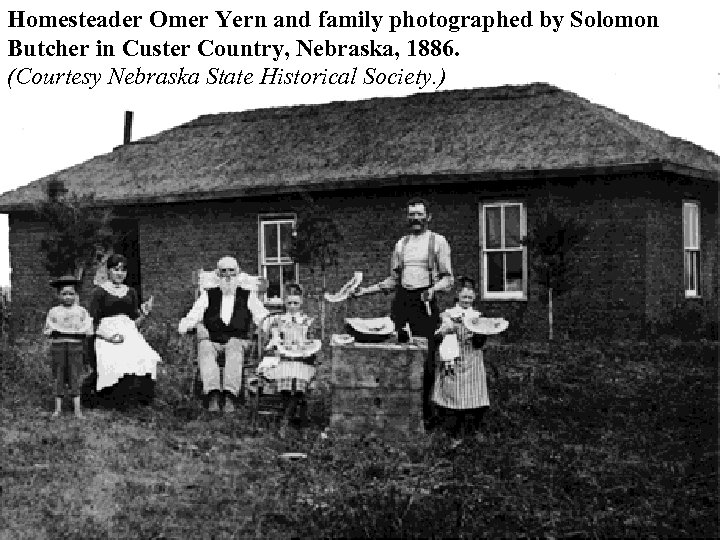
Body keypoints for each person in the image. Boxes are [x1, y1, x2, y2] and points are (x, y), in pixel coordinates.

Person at [353, 198, 454, 426]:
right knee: (398, 354)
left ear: (428, 217)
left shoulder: (438, 242)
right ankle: (399, 409)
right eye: (411, 215)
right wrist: (364, 291)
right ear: (407, 218)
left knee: (426, 359)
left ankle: (426, 413)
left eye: (419, 214)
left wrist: (433, 289)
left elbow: (448, 279)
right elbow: (393, 280)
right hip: (402, 303)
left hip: (425, 304)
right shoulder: (401, 244)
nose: (415, 219)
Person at [178, 256, 269, 413]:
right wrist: (196, 327)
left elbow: (263, 318)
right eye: (223, 271)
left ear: (238, 273)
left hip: (239, 342)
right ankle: (213, 394)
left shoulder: (248, 296)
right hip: (213, 341)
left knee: (233, 344)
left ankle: (230, 395)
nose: (227, 276)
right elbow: (189, 319)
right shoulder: (208, 295)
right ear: (217, 275)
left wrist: (270, 329)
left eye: (231, 271)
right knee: (204, 345)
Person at [90, 254, 161, 408]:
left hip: (129, 333)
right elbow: (92, 324)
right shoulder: (99, 292)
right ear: (108, 271)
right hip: (107, 335)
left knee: (147, 358)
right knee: (117, 361)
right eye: (116, 270)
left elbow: (135, 322)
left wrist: (144, 314)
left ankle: (141, 401)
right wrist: (108, 337)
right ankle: (113, 399)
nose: (120, 274)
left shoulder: (130, 292)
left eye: (123, 270)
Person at [432, 277, 489, 446]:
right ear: (457, 296)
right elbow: (437, 338)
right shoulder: (448, 314)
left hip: (472, 359)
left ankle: (472, 432)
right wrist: (445, 330)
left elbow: (480, 343)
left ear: (474, 298)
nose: (466, 301)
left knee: (474, 396)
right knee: (453, 396)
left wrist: (480, 333)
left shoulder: (478, 317)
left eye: (469, 298)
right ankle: (452, 434)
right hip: (454, 358)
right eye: (464, 297)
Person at [263, 283, 318, 432]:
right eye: (289, 303)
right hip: (284, 360)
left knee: (299, 383)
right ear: (285, 303)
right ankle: (298, 421)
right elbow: (274, 341)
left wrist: (306, 347)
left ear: (301, 303)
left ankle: (285, 421)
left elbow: (313, 343)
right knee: (287, 383)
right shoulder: (278, 321)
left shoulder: (307, 321)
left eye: (296, 303)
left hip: (302, 360)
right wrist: (277, 344)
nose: (292, 306)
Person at [43, 275, 94, 419]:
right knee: (59, 375)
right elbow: (48, 330)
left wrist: (81, 333)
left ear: (76, 295)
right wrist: (55, 331)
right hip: (58, 347)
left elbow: (88, 329)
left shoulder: (81, 311)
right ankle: (57, 409)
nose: (68, 297)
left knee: (74, 376)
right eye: (64, 294)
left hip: (75, 347)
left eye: (71, 293)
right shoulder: (54, 312)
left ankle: (77, 410)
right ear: (58, 295)